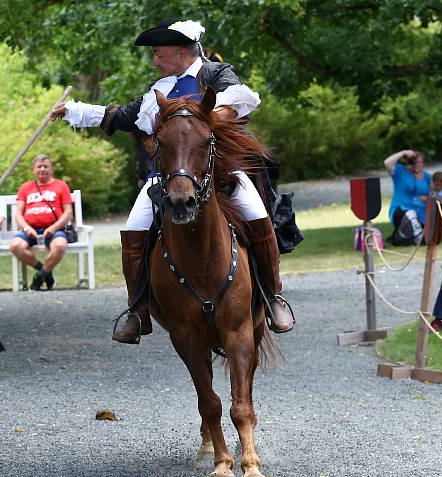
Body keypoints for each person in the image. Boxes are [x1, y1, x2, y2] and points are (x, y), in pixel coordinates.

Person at [51, 18, 294, 342]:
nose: (154, 61)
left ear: (181, 52)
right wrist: (71, 110)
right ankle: (138, 311)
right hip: (167, 177)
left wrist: (205, 117)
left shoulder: (214, 74)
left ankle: (272, 296)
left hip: (219, 172)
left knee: (257, 215)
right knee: (134, 229)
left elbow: (241, 99)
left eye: (158, 53)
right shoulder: (159, 90)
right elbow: (122, 116)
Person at [8, 155, 73, 291]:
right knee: (15, 246)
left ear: (51, 169)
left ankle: (39, 277)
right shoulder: (26, 188)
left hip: (54, 230)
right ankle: (45, 272)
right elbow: (18, 214)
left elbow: (68, 213)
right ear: (33, 169)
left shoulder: (61, 186)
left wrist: (54, 228)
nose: (42, 169)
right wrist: (26, 228)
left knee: (60, 246)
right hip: (30, 230)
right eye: (39, 166)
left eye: (45, 166)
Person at [384, 149, 431, 245]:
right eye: (415, 162)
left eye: (420, 162)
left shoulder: (427, 177)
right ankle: (417, 235)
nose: (417, 164)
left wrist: (427, 199)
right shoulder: (400, 171)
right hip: (401, 211)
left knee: (427, 236)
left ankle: (412, 236)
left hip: (420, 214)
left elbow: (436, 195)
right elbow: (387, 162)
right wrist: (403, 153)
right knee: (410, 213)